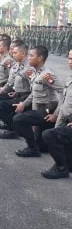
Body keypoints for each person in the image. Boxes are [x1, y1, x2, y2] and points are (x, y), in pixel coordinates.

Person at [12, 46, 63, 157]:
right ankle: (38, 145)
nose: (29, 58)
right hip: (38, 109)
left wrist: (56, 114)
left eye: (31, 55)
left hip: (47, 110)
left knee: (19, 119)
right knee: (43, 147)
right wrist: (23, 104)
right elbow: (34, 94)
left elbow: (64, 93)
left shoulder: (47, 75)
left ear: (40, 58)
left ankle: (32, 149)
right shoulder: (35, 72)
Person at [41, 50, 72, 179]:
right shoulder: (70, 78)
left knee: (48, 135)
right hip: (67, 119)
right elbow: (64, 101)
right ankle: (68, 165)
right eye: (69, 58)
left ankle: (61, 168)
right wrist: (56, 115)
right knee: (57, 136)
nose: (70, 62)